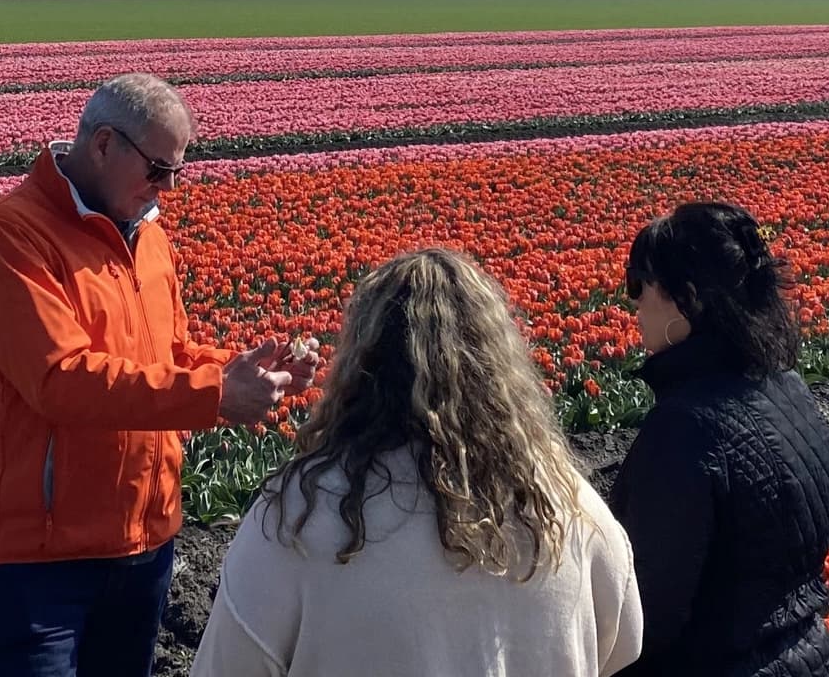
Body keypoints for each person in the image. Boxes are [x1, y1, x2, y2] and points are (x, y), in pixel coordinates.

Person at [0, 73, 316, 677]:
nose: (167, 188)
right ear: (102, 145)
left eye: (176, 171)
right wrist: (217, 395)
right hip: (45, 556)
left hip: (144, 539)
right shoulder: (12, 236)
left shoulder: (148, 237)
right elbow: (61, 379)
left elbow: (166, 354)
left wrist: (247, 371)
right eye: (156, 169)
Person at [191, 248, 644, 677]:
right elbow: (626, 643)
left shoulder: (298, 516)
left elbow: (226, 664)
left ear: (358, 365)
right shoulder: (568, 503)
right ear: (501, 368)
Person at [609, 201, 829, 677]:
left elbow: (647, 617)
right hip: (809, 655)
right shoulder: (789, 390)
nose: (632, 302)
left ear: (687, 300)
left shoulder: (684, 429)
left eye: (638, 284)